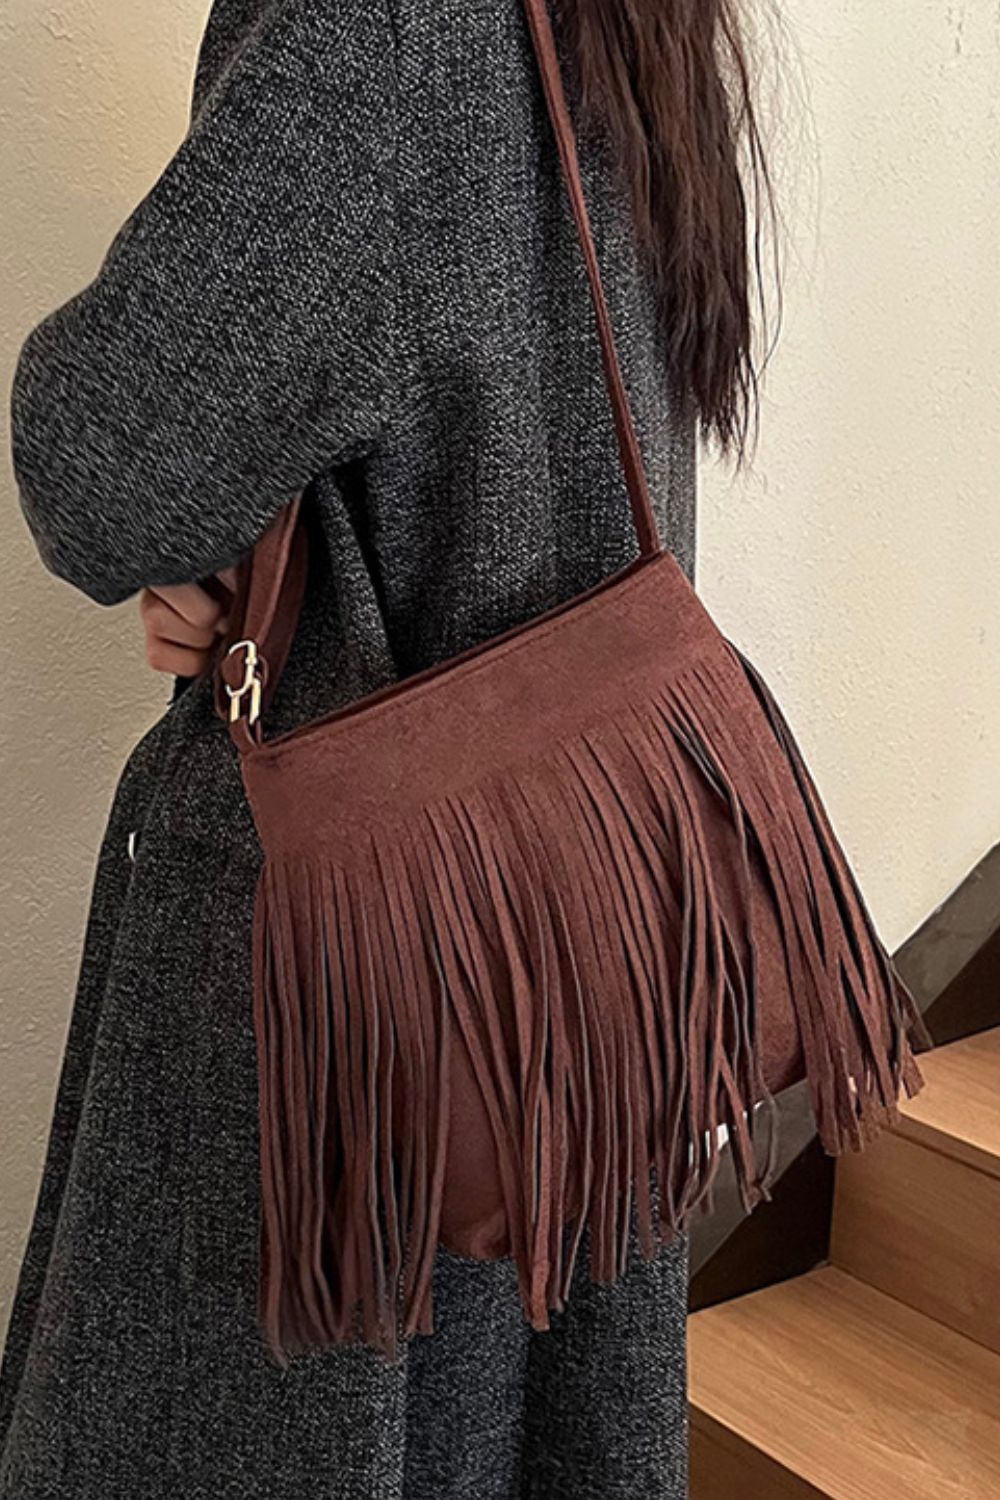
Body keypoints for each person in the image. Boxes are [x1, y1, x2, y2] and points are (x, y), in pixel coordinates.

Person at [1, 0, 776, 1494]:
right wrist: (249, 539)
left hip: (359, 997)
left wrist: (203, 519)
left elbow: (97, 459)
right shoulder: (644, 26)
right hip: (569, 944)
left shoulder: (389, 28)